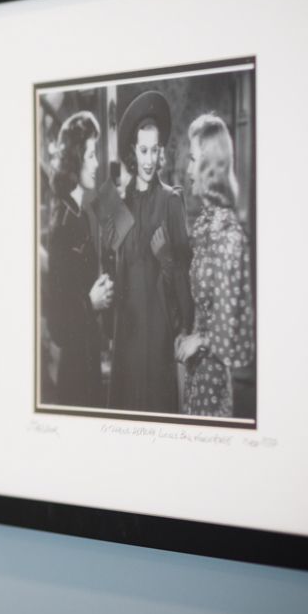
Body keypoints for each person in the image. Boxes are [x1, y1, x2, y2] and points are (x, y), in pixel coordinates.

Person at [109, 90, 193, 414]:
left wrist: (166, 259)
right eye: (142, 150)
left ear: (161, 153)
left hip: (158, 338)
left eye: (154, 150)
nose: (148, 159)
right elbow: (112, 276)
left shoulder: (173, 201)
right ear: (133, 149)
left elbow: (185, 296)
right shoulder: (117, 205)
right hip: (126, 339)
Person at [175, 114, 255, 418]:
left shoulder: (228, 235)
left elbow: (233, 332)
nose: (187, 170)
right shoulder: (206, 227)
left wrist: (200, 340)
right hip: (198, 374)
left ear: (209, 168)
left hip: (215, 380)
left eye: (193, 160)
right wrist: (186, 332)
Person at [45, 111, 112, 407]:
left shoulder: (79, 213)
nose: (97, 163)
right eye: (90, 155)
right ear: (74, 159)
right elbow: (57, 324)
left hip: (88, 356)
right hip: (75, 372)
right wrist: (91, 302)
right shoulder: (63, 222)